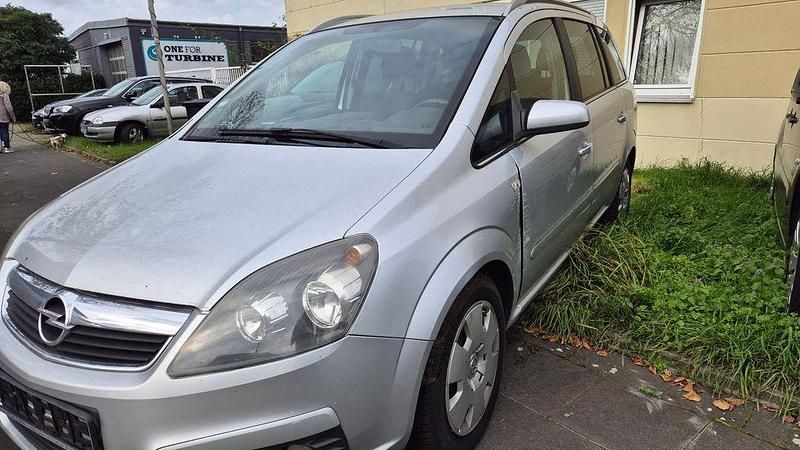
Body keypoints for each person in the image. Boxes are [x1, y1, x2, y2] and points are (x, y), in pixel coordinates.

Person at [0, 81, 16, 153]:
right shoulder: (5, 95)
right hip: (3, 116)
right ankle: (7, 147)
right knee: (5, 131)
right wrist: (13, 118)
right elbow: (9, 107)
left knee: (1, 132)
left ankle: (2, 146)